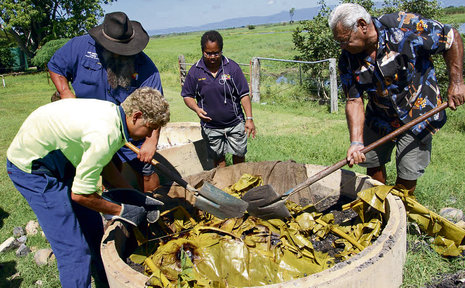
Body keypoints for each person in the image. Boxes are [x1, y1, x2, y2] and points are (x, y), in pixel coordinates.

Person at [6, 87, 170, 288]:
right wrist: (123, 211)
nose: (151, 134)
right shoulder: (104, 133)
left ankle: (104, 280)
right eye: (151, 128)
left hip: (61, 154)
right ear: (136, 116)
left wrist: (136, 197)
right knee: (74, 250)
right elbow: (80, 195)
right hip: (34, 169)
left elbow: (105, 165)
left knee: (92, 226)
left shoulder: (114, 115)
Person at [328, 3, 465, 193]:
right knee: (372, 161)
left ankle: (402, 212)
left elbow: (450, 37)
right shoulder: (348, 58)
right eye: (339, 42)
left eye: (345, 40)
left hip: (417, 112)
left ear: (362, 25)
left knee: (408, 170)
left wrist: (456, 83)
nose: (342, 46)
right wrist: (356, 142)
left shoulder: (404, 26)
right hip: (379, 115)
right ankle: (377, 207)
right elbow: (354, 100)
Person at [48, 11, 162, 193]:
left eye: (126, 51)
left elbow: (157, 107)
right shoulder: (79, 47)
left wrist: (151, 141)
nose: (121, 54)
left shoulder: (145, 66)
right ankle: (116, 211)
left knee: (146, 170)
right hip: (91, 127)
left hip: (129, 129)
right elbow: (56, 66)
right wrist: (65, 92)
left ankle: (154, 208)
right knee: (106, 171)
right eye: (115, 50)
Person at [181, 30, 256, 168]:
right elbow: (187, 95)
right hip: (211, 127)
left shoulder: (232, 68)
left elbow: (244, 94)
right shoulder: (195, 71)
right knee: (218, 159)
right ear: (202, 50)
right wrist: (196, 109)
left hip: (235, 123)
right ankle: (223, 185)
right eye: (208, 53)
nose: (212, 57)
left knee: (239, 156)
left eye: (216, 53)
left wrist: (249, 119)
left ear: (221, 50)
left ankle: (240, 182)